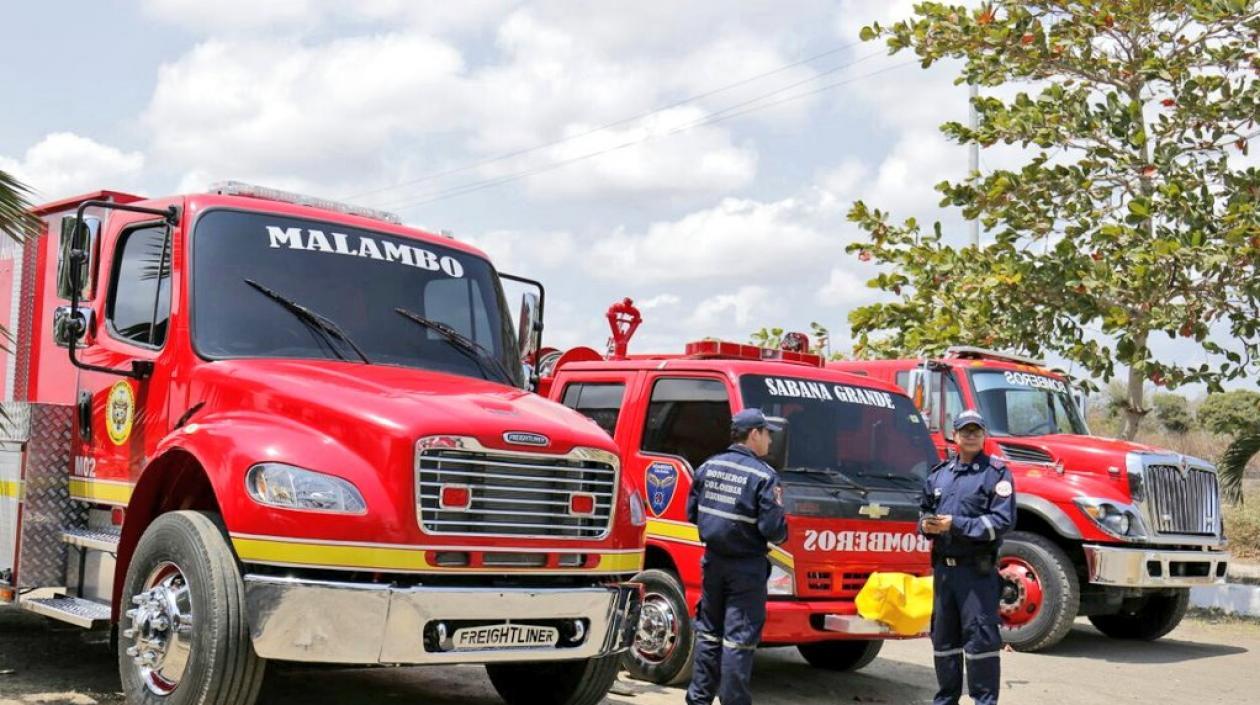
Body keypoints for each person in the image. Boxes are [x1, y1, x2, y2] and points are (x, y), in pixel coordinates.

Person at [685, 408, 789, 705]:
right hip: (746, 568)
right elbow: (773, 529)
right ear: (754, 434)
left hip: (713, 563)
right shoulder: (764, 475)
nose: (770, 440)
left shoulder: (708, 467)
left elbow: (692, 513)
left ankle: (699, 699)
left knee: (708, 635)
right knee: (738, 641)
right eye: (767, 433)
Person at [920, 409, 1016, 705]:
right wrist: (925, 525)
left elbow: (1002, 521)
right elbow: (923, 510)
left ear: (984, 435)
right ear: (955, 435)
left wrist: (956, 525)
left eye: (976, 430)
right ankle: (946, 700)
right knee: (944, 642)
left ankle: (983, 701)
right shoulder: (939, 475)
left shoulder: (996, 474)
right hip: (945, 575)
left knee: (981, 644)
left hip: (977, 574)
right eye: (965, 430)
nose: (971, 435)